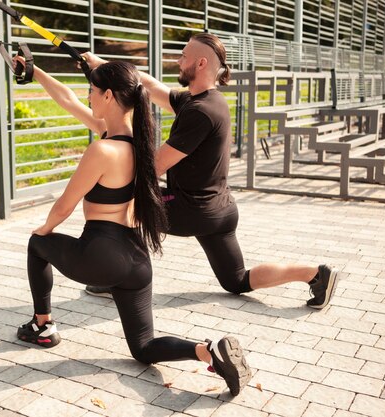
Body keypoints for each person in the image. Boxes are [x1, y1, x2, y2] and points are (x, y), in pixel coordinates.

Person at [14, 58, 251, 396]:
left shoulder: (102, 149)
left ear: (108, 96)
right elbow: (68, 99)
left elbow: (64, 205)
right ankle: (207, 350)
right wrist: (35, 71)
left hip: (101, 255)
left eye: (93, 91)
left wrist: (44, 228)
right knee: (143, 347)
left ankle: (42, 325)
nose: (89, 96)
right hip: (137, 262)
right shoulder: (141, 144)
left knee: (37, 245)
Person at [82, 33, 339, 309]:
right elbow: (152, 86)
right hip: (220, 209)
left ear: (201, 63)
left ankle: (114, 278)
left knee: (127, 206)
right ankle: (315, 274)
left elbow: (155, 165)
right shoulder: (205, 100)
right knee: (236, 280)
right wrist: (103, 65)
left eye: (183, 56)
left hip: (192, 209)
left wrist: (110, 165)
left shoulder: (200, 112)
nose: (178, 61)